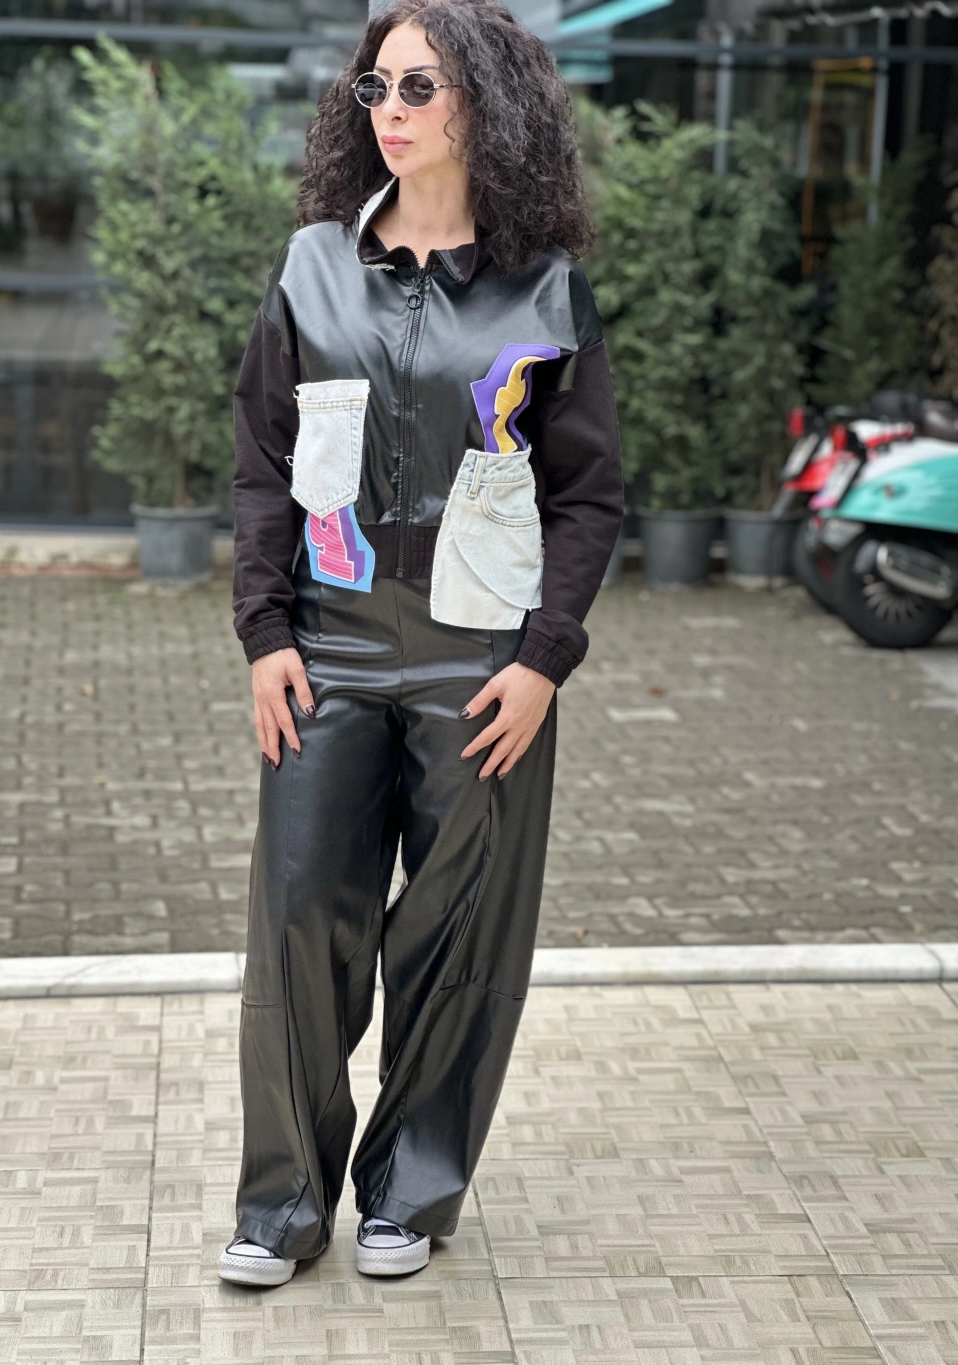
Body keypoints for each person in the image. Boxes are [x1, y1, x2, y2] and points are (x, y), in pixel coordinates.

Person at [219, 0, 623, 1287]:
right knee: (300, 920)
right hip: (326, 652)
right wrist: (263, 632)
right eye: (374, 88)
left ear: (483, 105)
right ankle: (283, 1205)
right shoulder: (312, 267)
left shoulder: (543, 287)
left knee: (456, 936)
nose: (387, 111)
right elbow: (262, 465)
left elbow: (587, 494)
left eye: (417, 87)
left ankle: (408, 1192)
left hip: (479, 664)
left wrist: (543, 661)